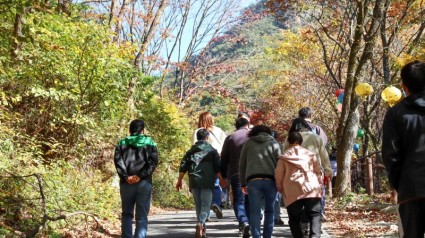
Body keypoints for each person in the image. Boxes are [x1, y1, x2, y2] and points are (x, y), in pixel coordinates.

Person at [382, 60, 425, 238]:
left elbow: (390, 155)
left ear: (403, 86)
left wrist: (397, 184)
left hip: (411, 188)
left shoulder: (396, 113)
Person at [114, 119, 159, 238]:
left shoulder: (121, 143)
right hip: (144, 183)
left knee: (127, 214)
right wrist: (140, 176)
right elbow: (152, 163)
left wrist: (126, 176)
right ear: (143, 130)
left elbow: (118, 162)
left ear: (129, 130)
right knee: (142, 216)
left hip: (126, 183)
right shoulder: (151, 143)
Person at [176, 128, 225, 238]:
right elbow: (217, 168)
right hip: (207, 181)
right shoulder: (212, 150)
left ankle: (203, 230)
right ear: (207, 138)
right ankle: (201, 223)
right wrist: (222, 180)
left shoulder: (190, 151)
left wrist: (179, 181)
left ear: (197, 138)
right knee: (206, 205)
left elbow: (183, 166)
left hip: (194, 179)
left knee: (198, 205)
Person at [285, 117, 332, 230]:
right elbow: (323, 155)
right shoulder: (316, 137)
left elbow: (284, 156)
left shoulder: (289, 139)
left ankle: (304, 222)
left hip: (295, 173)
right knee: (314, 198)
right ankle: (314, 223)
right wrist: (328, 170)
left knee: (299, 199)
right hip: (314, 172)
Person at [275, 132, 323, 238]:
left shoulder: (283, 158)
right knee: (315, 214)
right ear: (301, 142)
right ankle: (315, 236)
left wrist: (279, 186)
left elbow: (278, 174)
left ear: (289, 142)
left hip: (292, 190)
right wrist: (320, 184)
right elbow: (317, 171)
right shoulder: (310, 155)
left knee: (294, 218)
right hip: (311, 188)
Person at [239, 125, 281, 238]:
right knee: (270, 211)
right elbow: (279, 164)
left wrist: (243, 183)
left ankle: (256, 236)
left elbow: (242, 165)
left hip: (253, 181)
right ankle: (267, 236)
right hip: (271, 181)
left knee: (254, 212)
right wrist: (280, 182)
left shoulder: (248, 143)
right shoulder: (274, 143)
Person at [193, 111, 227, 220]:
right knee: (216, 184)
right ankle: (216, 203)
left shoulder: (197, 131)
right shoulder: (218, 130)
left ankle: (205, 214)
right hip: (217, 158)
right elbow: (225, 143)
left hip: (201, 162)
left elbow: (194, 146)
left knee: (204, 186)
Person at [220, 117, 251, 237]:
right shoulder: (253, 136)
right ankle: (249, 223)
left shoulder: (231, 137)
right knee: (249, 200)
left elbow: (224, 158)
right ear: (248, 125)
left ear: (236, 126)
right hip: (252, 173)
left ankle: (243, 222)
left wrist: (223, 175)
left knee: (239, 200)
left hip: (236, 173)